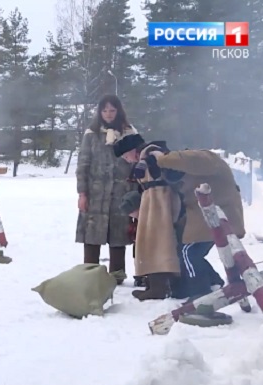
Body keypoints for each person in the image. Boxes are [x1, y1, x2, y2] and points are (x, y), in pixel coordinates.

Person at [136, 143, 244, 300]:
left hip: (219, 215)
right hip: (206, 216)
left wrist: (162, 159)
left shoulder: (205, 158)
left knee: (189, 252)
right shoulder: (193, 172)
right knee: (186, 251)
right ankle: (207, 283)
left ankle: (200, 292)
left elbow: (188, 160)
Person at [75, 94, 139, 284]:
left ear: (118, 110)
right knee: (92, 234)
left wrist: (136, 196)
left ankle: (117, 276)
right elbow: (83, 164)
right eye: (105, 110)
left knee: (119, 236)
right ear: (99, 112)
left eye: (112, 110)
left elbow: (138, 165)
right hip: (96, 194)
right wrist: (82, 193)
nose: (108, 114)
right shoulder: (92, 134)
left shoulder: (130, 133)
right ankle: (90, 274)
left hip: (122, 193)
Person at [114, 134, 184, 300]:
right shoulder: (146, 155)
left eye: (126, 155)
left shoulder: (150, 152)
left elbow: (162, 162)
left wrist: (147, 162)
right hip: (153, 200)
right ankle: (154, 285)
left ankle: (159, 288)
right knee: (151, 242)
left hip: (159, 201)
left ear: (132, 150)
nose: (126, 160)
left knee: (156, 243)